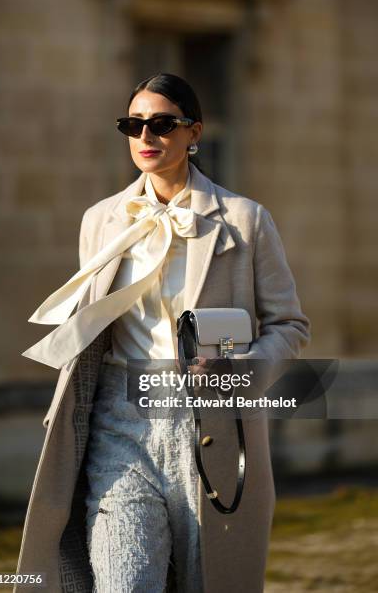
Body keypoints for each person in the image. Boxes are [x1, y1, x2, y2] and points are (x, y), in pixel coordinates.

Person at [15, 73, 310, 593]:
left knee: (206, 579)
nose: (146, 137)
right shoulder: (102, 220)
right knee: (123, 582)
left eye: (162, 124)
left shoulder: (245, 220)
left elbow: (289, 324)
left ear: (194, 132)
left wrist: (241, 374)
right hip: (118, 425)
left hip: (212, 426)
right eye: (134, 125)